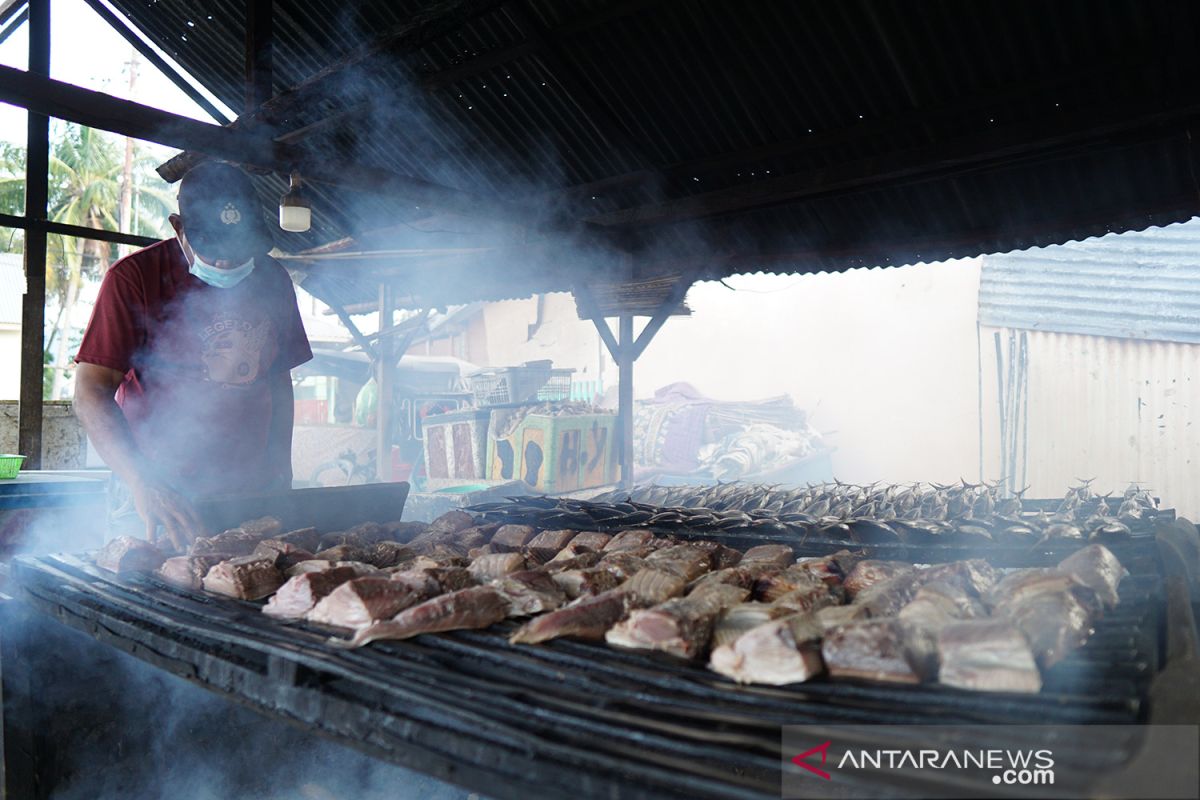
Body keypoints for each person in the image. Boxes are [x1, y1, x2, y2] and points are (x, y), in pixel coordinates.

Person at [74, 162, 312, 551]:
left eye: (239, 250)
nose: (226, 263)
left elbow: (278, 381)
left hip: (248, 490)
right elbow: (90, 392)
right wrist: (142, 482)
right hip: (158, 489)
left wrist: (280, 466)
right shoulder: (134, 278)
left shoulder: (273, 280)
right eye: (214, 250)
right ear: (178, 228)